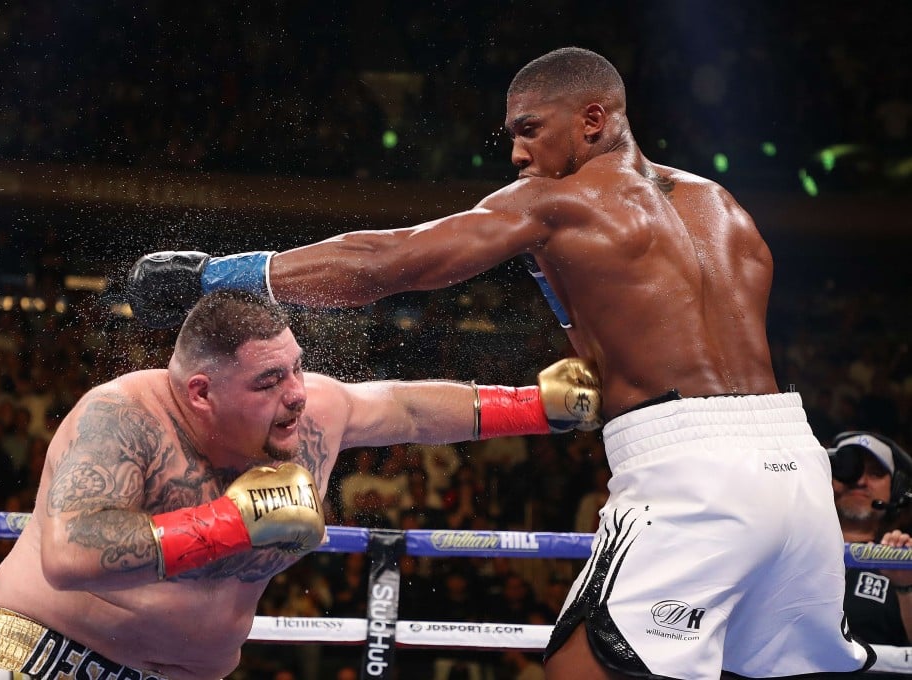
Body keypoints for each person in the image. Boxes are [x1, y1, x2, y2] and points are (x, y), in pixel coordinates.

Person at [126, 47, 877, 678]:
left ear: (594, 120)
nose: (517, 153)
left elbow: (393, 262)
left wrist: (215, 275)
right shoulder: (725, 208)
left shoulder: (560, 201)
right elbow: (659, 322)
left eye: (529, 130)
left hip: (694, 472)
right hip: (795, 466)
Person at [0, 290, 597, 680]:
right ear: (201, 393)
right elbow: (69, 556)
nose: (295, 395)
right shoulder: (123, 418)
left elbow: (408, 409)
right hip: (44, 653)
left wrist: (536, 406)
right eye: (268, 382)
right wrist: (229, 524)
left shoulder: (312, 411)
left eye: (297, 368)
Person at [828, 431, 912, 646]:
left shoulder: (904, 562)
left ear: (895, 490)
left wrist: (905, 588)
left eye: (875, 473)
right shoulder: (787, 549)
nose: (860, 481)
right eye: (848, 470)